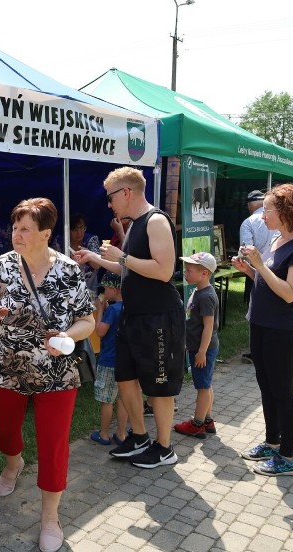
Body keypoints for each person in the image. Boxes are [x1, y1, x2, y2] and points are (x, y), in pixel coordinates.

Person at [0, 197, 94, 552]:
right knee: (3, 429)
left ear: (46, 233)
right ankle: (13, 463)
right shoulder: (3, 266)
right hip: (6, 366)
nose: (16, 234)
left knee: (54, 444)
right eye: (14, 227)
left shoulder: (69, 271)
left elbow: (87, 320)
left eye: (25, 228)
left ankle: (49, 517)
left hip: (55, 373)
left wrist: (67, 337)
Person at [73, 167, 184, 470]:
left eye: (110, 197)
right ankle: (139, 436)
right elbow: (132, 268)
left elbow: (163, 270)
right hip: (134, 315)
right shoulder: (134, 225)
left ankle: (164, 447)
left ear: (125, 192)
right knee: (124, 377)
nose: (109, 204)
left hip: (158, 316)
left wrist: (119, 256)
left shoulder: (157, 221)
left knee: (158, 385)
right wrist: (96, 259)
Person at [232, 184, 293, 477]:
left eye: (268, 208)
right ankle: (272, 441)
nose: (262, 212)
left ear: (286, 212)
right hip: (261, 322)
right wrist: (249, 270)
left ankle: (287, 457)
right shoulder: (278, 239)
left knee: (282, 390)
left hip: (282, 328)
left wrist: (259, 264)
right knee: (266, 386)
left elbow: (291, 293)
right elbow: (267, 280)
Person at [173, 252, 219, 439]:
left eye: (189, 270)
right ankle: (207, 419)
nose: (185, 273)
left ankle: (198, 423)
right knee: (205, 385)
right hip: (197, 347)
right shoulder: (197, 292)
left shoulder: (206, 296)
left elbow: (209, 327)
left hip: (203, 349)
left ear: (204, 274)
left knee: (202, 386)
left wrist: (201, 351)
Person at [90, 271, 129, 446]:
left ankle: (104, 434)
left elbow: (99, 331)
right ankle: (121, 434)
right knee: (123, 400)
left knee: (107, 400)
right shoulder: (130, 307)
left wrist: (100, 310)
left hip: (108, 361)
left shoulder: (112, 310)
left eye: (106, 288)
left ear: (114, 289)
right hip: (126, 362)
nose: (104, 291)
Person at [239, 189, 276, 363]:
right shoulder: (281, 222)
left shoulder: (248, 222)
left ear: (248, 205)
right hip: (277, 271)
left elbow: (246, 250)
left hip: (257, 271)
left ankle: (257, 351)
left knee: (255, 310)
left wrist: (255, 265)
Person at [51, 212, 102, 294]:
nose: (79, 233)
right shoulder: (59, 241)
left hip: (88, 290)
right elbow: (52, 265)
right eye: (75, 229)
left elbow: (97, 265)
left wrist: (87, 255)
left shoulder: (91, 240)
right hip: (65, 289)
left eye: (82, 228)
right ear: (68, 230)